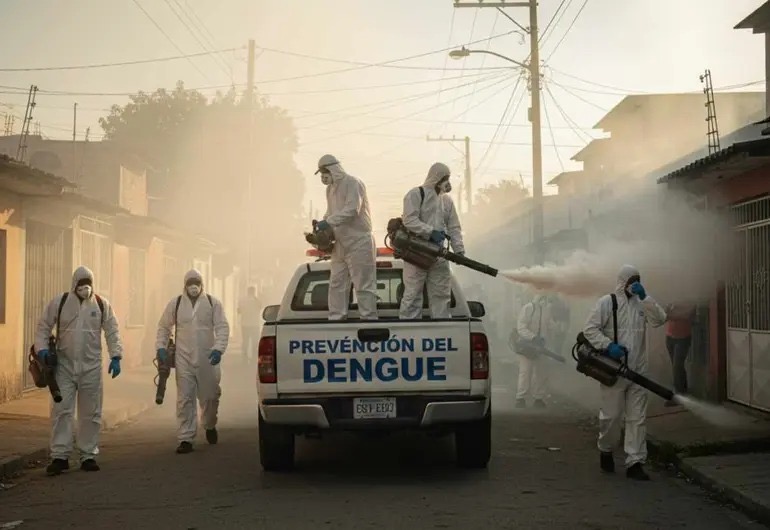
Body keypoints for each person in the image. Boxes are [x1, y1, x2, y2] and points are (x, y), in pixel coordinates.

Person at [35, 266, 123, 476]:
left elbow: (112, 330)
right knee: (61, 411)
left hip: (91, 367)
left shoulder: (101, 305)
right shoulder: (60, 302)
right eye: (81, 283)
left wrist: (116, 355)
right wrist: (43, 350)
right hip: (64, 367)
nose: (85, 288)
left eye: (88, 283)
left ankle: (88, 455)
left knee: (90, 413)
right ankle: (60, 456)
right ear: (74, 284)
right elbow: (43, 327)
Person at [583, 264, 667, 481]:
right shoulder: (607, 302)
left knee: (637, 418)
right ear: (622, 282)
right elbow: (590, 330)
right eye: (632, 280)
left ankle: (635, 462)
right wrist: (607, 345)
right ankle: (606, 449)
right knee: (611, 417)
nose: (635, 284)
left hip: (638, 370)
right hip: (614, 369)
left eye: (638, 279)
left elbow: (659, 319)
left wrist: (646, 297)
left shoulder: (642, 303)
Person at [156, 269, 230, 454]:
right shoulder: (176, 303)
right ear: (185, 285)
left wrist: (219, 349)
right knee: (185, 398)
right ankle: (186, 438)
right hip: (183, 358)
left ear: (202, 284)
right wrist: (161, 347)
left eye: (196, 282)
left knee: (210, 396)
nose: (193, 286)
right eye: (190, 283)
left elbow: (222, 327)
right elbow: (164, 326)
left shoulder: (213, 304)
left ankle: (209, 424)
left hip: (208, 358)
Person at [315, 154, 378, 320]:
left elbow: (352, 210)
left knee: (363, 285)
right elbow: (331, 212)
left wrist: (328, 221)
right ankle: (336, 318)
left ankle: (369, 320)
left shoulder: (353, 183)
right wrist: (322, 223)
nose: (323, 176)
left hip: (359, 242)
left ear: (333, 169)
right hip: (340, 243)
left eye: (324, 172)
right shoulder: (330, 190)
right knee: (337, 284)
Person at [399, 162, 464, 319]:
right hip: (417, 252)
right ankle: (409, 332)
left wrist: (459, 249)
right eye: (445, 178)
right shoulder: (416, 194)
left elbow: (454, 227)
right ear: (436, 177)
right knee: (413, 295)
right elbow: (409, 220)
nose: (447, 182)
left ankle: (441, 331)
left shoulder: (447, 201)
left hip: (439, 254)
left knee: (441, 295)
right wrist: (430, 231)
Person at [514, 294, 558, 409]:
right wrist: (533, 337)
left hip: (541, 347)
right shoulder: (528, 308)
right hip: (527, 345)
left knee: (541, 372)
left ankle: (538, 398)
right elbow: (521, 327)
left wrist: (549, 338)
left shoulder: (547, 310)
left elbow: (550, 327)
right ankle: (521, 398)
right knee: (525, 372)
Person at [664, 302, 696, 404]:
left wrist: (672, 314)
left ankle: (678, 396)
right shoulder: (673, 299)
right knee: (677, 367)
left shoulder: (690, 299)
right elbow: (665, 314)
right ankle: (683, 392)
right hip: (670, 336)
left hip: (683, 337)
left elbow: (687, 315)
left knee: (677, 366)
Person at [238, 286, 261, 362]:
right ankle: (254, 357)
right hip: (255, 324)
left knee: (245, 341)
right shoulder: (256, 300)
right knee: (255, 341)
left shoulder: (242, 300)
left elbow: (239, 311)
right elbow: (260, 308)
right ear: (254, 292)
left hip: (245, 324)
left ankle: (244, 357)